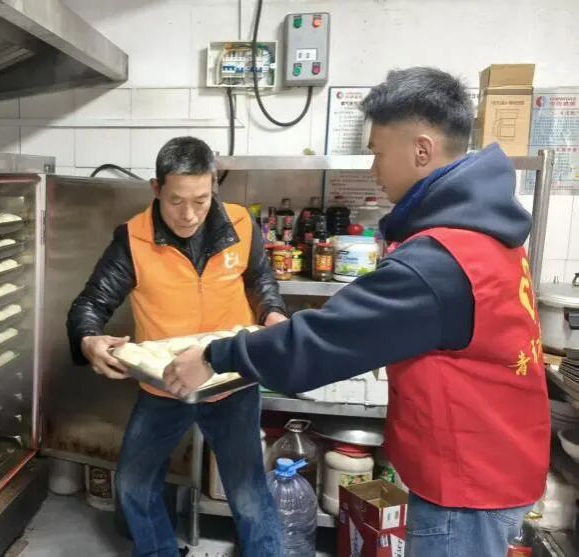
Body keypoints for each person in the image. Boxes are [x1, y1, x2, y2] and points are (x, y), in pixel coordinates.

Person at [165, 67, 551, 557]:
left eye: (378, 152)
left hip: (467, 481)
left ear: (422, 150)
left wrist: (214, 356)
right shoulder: (485, 231)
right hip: (496, 455)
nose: (372, 168)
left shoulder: (440, 260)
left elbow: (319, 343)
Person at [67, 136, 287, 557]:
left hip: (229, 378)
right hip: (164, 383)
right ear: (156, 189)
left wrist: (273, 314)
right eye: (176, 201)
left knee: (247, 491)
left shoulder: (241, 225)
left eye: (201, 201)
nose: (189, 215)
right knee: (133, 485)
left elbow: (261, 281)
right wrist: (89, 339)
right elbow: (91, 304)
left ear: (213, 188)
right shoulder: (133, 239)